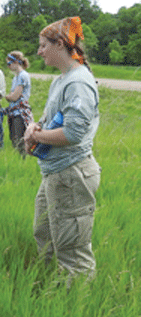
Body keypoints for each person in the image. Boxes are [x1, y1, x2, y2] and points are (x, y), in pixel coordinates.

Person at [24, 17, 100, 282]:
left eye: (43, 45)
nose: (39, 51)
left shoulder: (78, 82)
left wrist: (38, 137)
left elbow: (73, 133)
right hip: (54, 173)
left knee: (72, 250)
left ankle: (76, 307)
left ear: (60, 44)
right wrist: (34, 128)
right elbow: (51, 119)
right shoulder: (62, 80)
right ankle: (44, 288)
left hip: (71, 175)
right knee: (44, 234)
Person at [4, 51, 34, 157]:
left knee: (19, 139)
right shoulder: (15, 77)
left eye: (9, 64)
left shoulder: (23, 76)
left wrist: (6, 96)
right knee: (13, 138)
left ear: (16, 62)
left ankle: (23, 160)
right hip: (13, 112)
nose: (8, 66)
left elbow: (14, 96)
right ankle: (18, 159)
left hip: (20, 113)